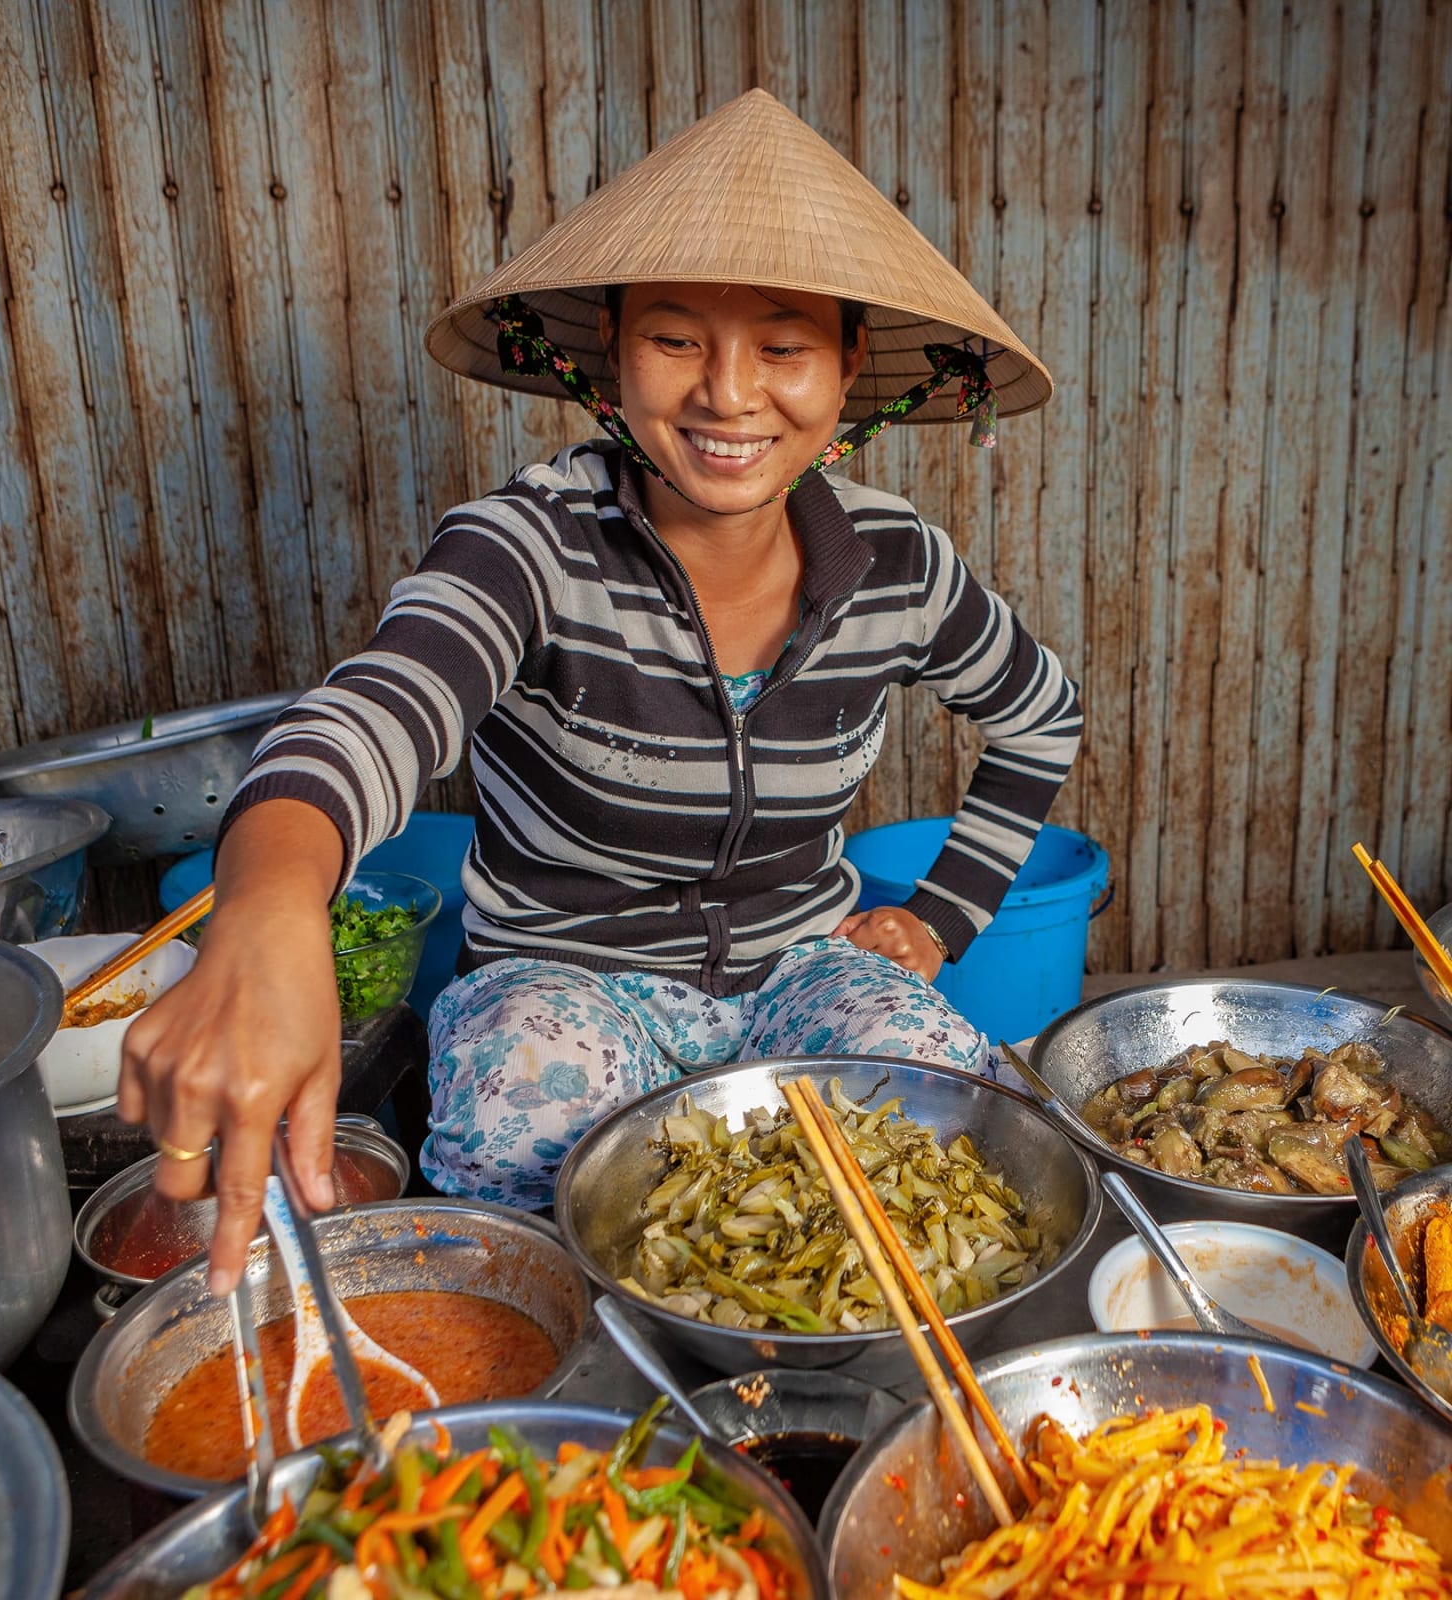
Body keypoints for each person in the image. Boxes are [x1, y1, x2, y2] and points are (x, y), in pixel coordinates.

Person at [120, 89, 1083, 1295]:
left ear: (846, 375)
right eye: (676, 339)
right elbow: (373, 713)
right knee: (533, 1151)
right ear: (609, 358)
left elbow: (1041, 710)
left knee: (952, 1134)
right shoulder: (527, 545)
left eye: (782, 347)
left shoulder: (897, 566)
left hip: (802, 969)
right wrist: (266, 912)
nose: (728, 395)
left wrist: (939, 918)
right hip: (558, 982)